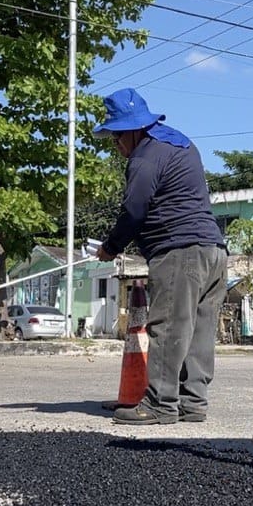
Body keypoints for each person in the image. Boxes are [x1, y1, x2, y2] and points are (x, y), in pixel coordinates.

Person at [94, 88, 229, 425]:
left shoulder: (144, 156)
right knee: (198, 330)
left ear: (133, 130)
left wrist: (110, 247)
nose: (117, 146)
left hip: (180, 251)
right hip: (213, 250)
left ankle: (160, 404)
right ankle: (192, 402)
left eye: (116, 138)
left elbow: (134, 210)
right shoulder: (179, 142)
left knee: (168, 326)